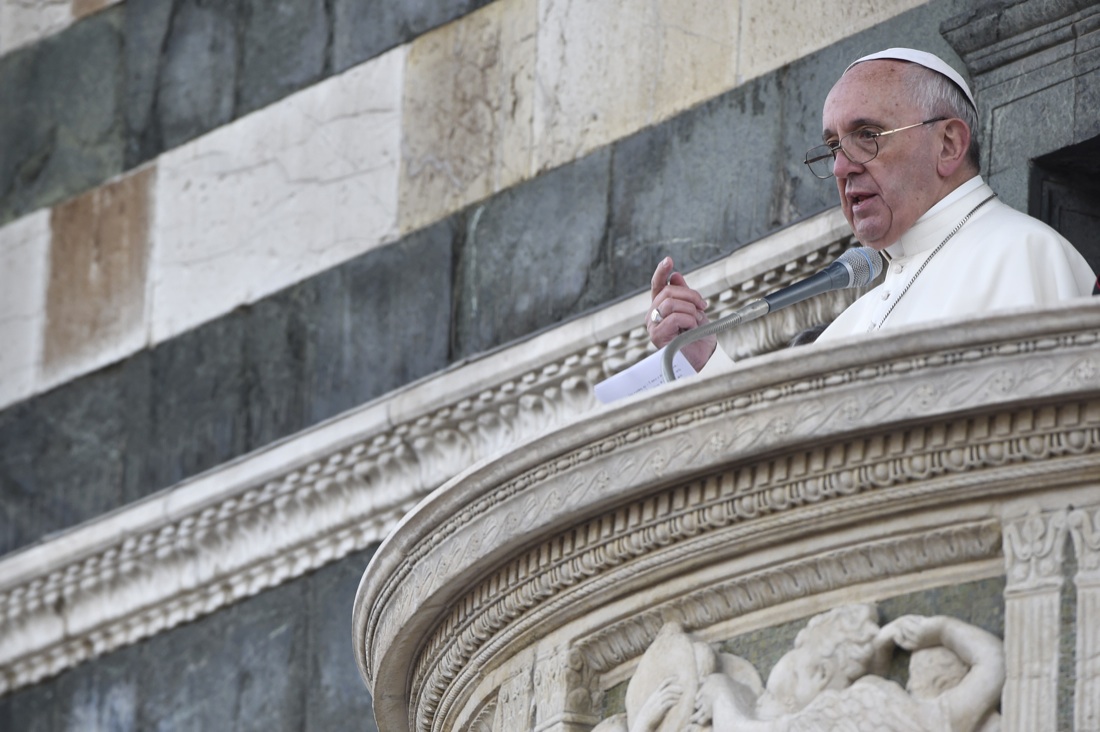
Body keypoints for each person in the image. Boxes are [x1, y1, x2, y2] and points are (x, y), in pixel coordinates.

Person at [646, 48, 1096, 373]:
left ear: (948, 144)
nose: (841, 167)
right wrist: (704, 357)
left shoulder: (1024, 254)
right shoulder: (852, 322)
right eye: (832, 146)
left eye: (867, 135)